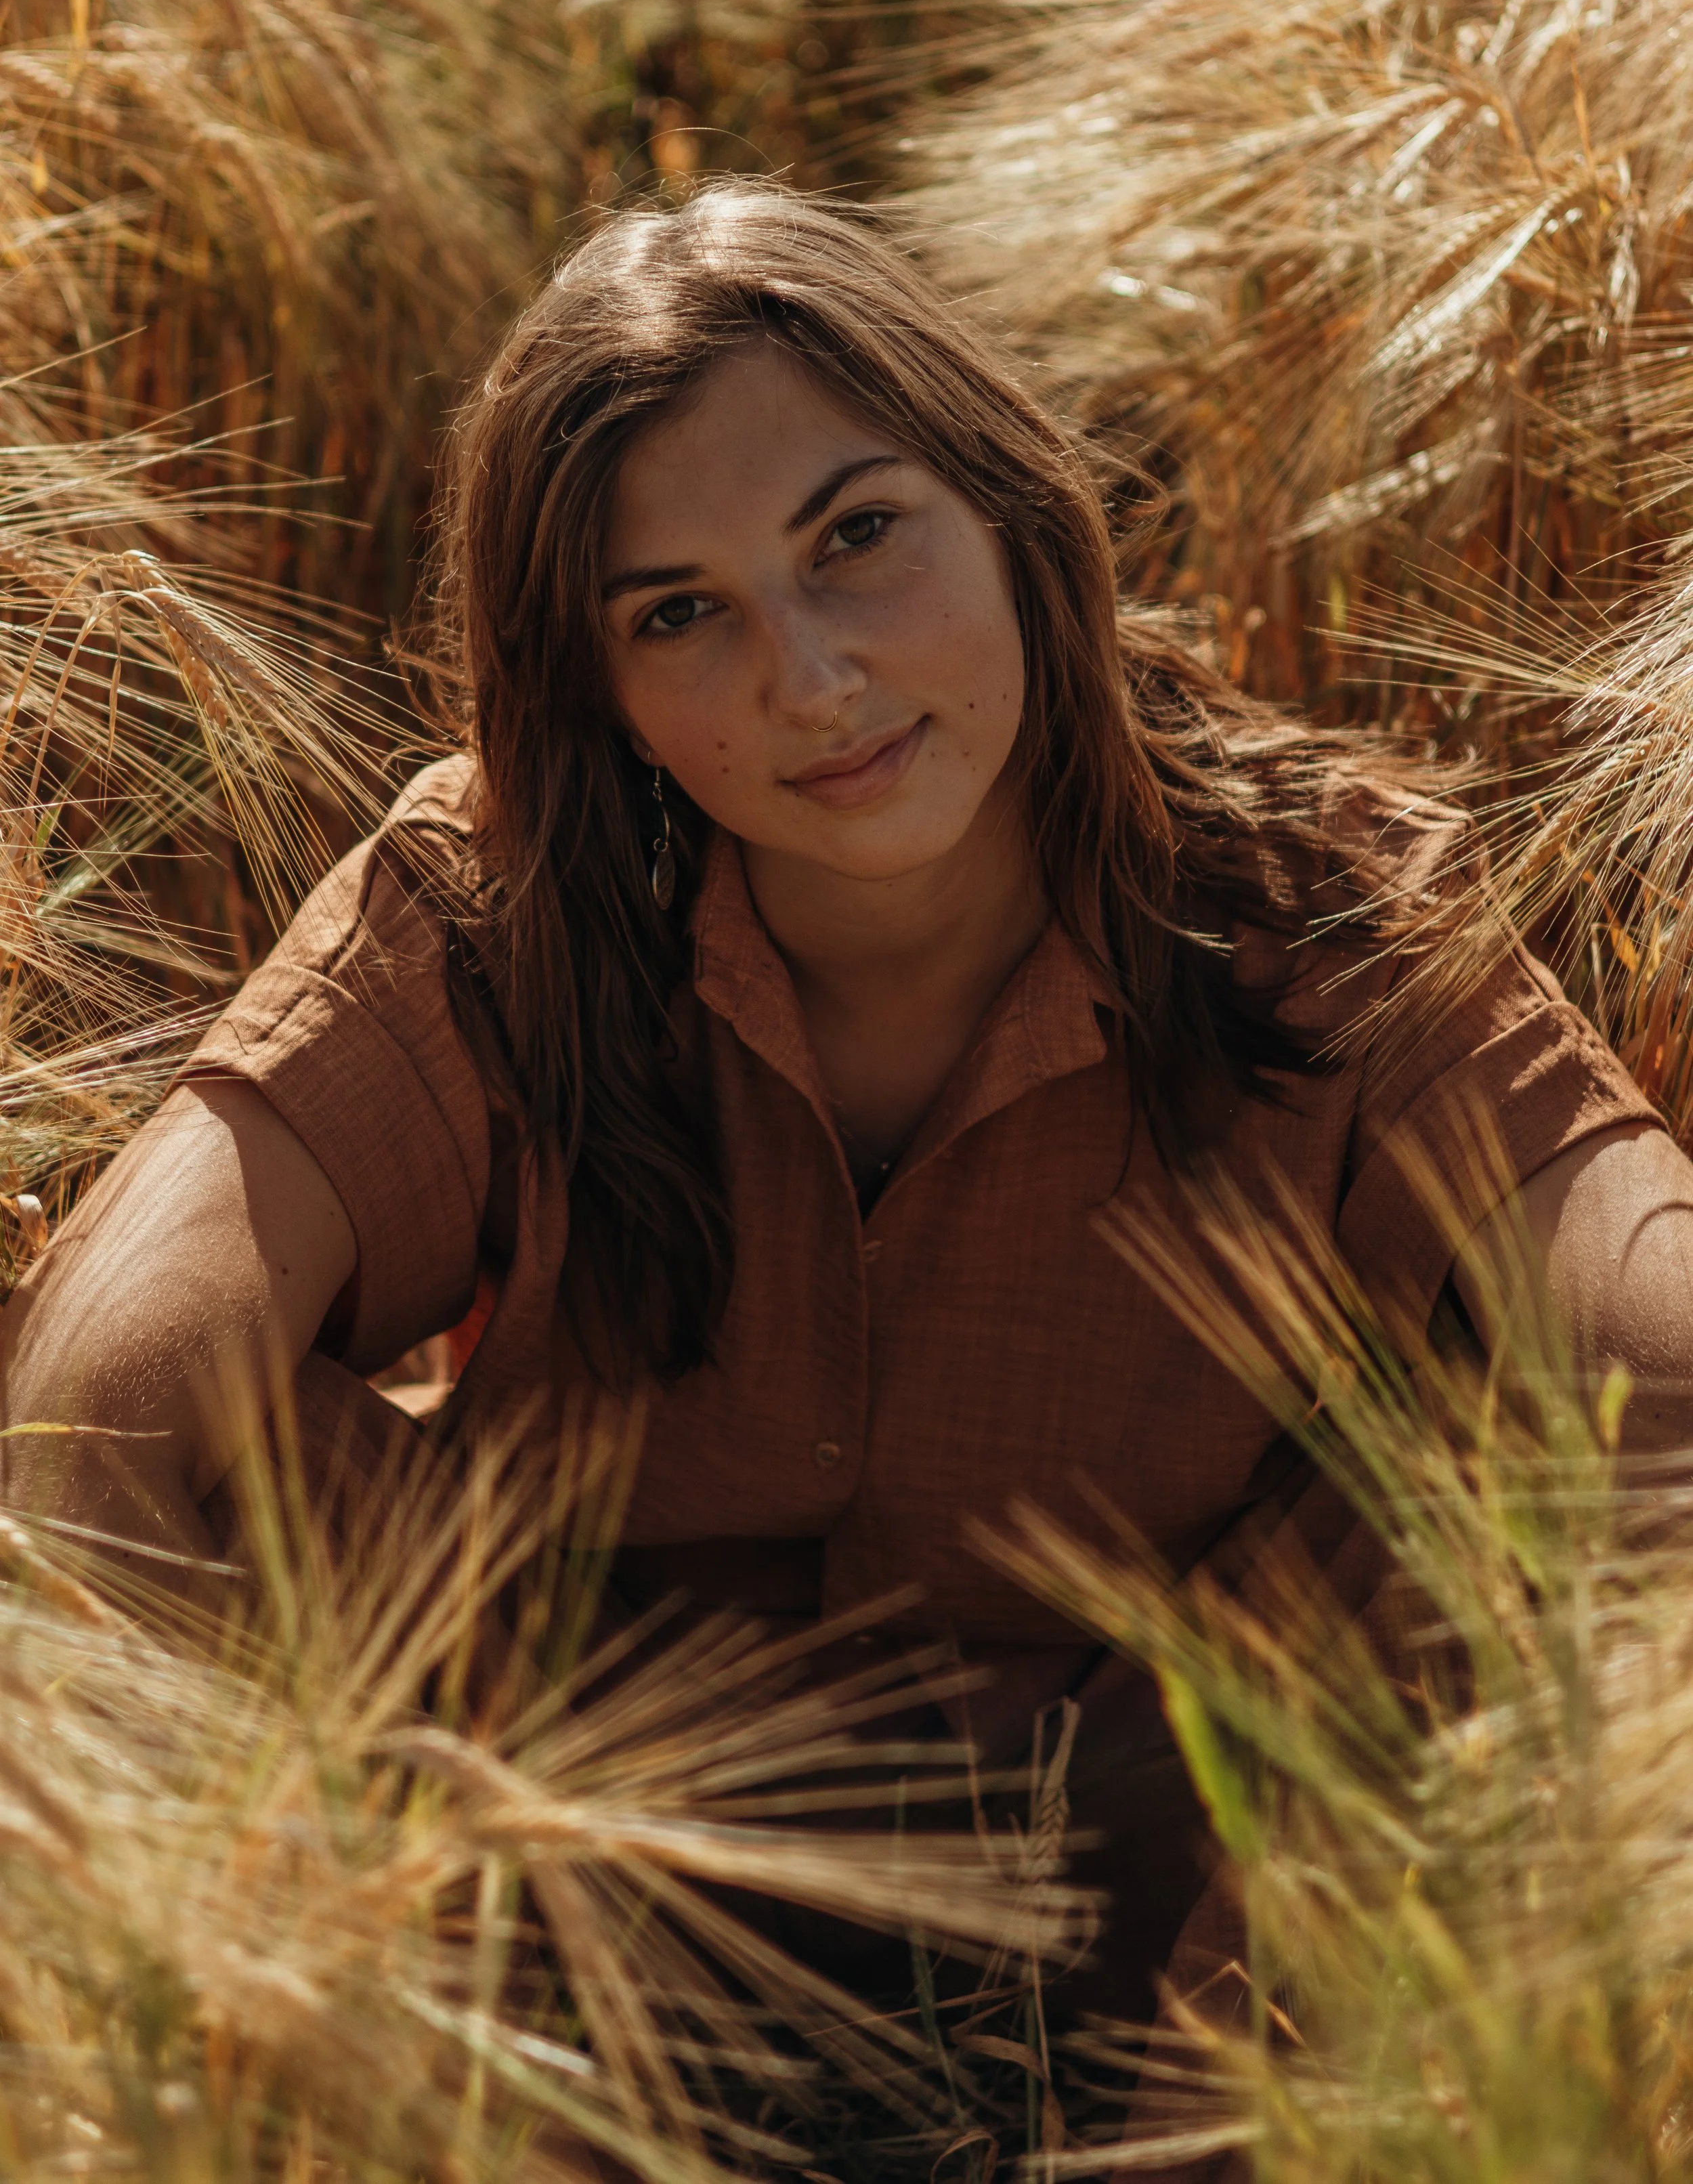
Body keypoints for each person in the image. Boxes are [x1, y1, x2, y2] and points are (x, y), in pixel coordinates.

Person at [7, 182, 1693, 2097]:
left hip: (1186, 1874)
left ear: (1013, 505)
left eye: (858, 535)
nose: (806, 679)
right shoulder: (496, 903)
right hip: (583, 1862)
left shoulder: (1325, 907)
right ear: (604, 695)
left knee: (1540, 1519)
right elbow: (84, 1411)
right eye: (677, 614)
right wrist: (320, 2002)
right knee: (124, 1460)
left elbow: (1657, 1342)